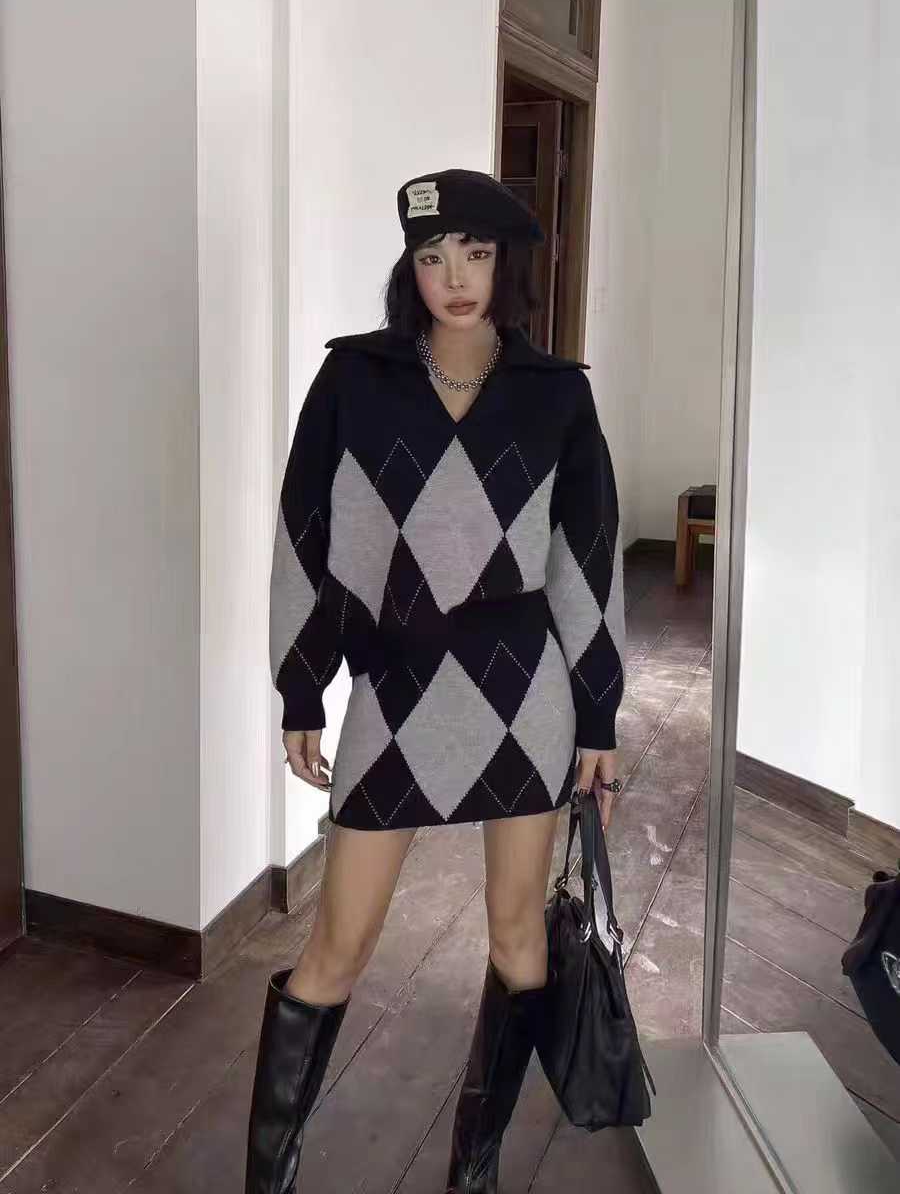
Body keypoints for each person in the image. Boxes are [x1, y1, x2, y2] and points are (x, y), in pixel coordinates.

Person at [244, 167, 626, 1194]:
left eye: (476, 253)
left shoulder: (557, 394)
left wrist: (597, 715)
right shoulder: (355, 379)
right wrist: (301, 685)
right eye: (431, 256)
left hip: (523, 692)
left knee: (521, 941)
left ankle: (474, 1173)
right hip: (400, 686)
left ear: (506, 265)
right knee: (336, 947)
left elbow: (586, 561)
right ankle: (267, 1180)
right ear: (408, 267)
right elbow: (305, 536)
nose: (453, 277)